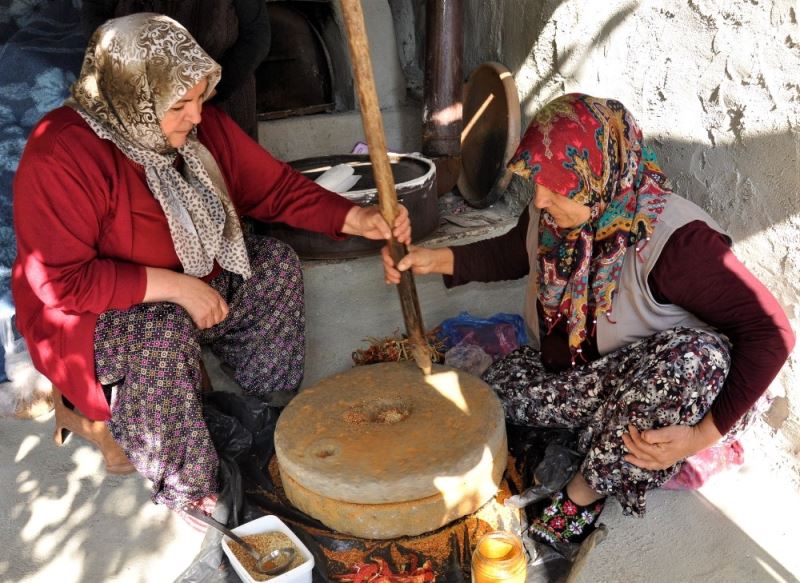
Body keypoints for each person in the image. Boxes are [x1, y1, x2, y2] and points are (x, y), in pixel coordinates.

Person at [12, 13, 410, 526]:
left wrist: (358, 218)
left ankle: (263, 409)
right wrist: (176, 288)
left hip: (186, 283)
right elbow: (60, 283)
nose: (197, 116)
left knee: (272, 267)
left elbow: (274, 189)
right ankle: (193, 490)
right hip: (90, 316)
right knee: (159, 334)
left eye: (200, 98)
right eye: (179, 106)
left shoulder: (200, 132)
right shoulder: (63, 152)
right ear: (131, 97)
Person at [383, 93, 795, 544]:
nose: (538, 198)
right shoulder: (559, 208)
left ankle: (584, 494)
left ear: (599, 175)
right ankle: (591, 436)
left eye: (555, 183)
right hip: (576, 378)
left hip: (650, 385)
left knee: (701, 358)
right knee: (484, 407)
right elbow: (511, 252)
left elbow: (771, 333)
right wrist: (431, 259)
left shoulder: (677, 242)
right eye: (536, 180)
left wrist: (700, 436)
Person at [81, 0, 270, 139]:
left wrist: (203, 91)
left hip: (221, 104)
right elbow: (99, 31)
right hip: (140, 111)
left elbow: (256, 38)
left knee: (228, 182)